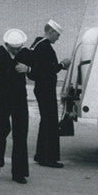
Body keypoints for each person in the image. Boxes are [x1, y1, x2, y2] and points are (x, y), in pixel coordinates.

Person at [0, 28, 34, 184]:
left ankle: (18, 172)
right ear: (6, 44)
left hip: (19, 97)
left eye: (18, 48)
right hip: (2, 97)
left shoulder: (25, 53)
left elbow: (36, 71)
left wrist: (28, 69)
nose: (16, 51)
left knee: (20, 134)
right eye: (13, 49)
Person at [29, 20, 71, 168]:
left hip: (40, 87)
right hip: (46, 88)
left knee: (46, 120)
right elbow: (48, 69)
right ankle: (48, 157)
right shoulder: (45, 48)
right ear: (51, 32)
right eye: (57, 35)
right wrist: (62, 65)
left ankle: (41, 155)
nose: (58, 38)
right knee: (50, 121)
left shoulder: (37, 44)